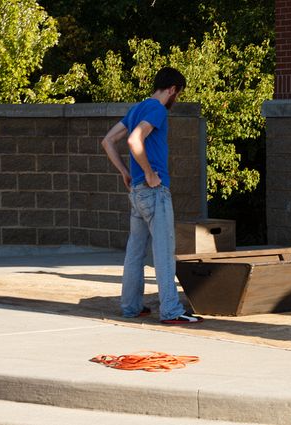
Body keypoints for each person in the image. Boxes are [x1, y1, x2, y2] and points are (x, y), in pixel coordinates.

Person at [101, 67, 203, 324]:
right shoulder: (157, 109)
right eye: (176, 94)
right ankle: (171, 310)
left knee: (135, 252)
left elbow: (107, 141)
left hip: (136, 193)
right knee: (164, 251)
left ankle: (131, 306)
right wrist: (148, 173)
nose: (174, 99)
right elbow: (135, 141)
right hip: (154, 191)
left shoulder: (137, 108)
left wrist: (126, 172)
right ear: (172, 89)